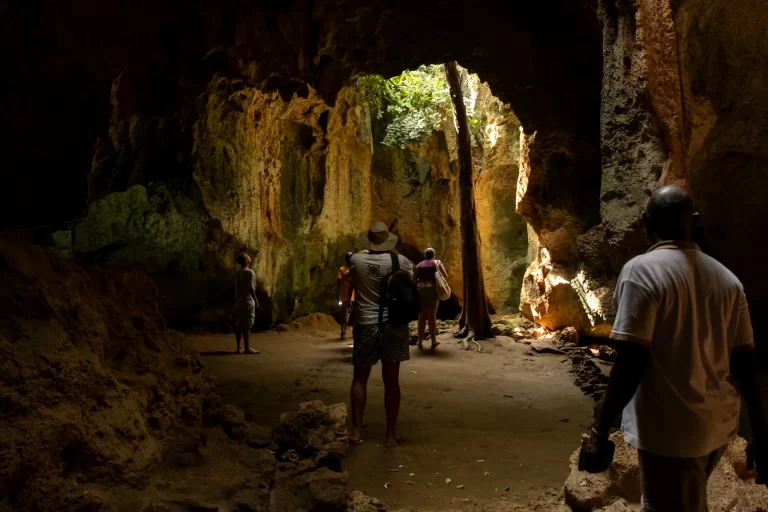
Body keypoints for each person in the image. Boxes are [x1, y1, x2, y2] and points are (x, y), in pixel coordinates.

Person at [579, 186, 767, 511]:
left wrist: (600, 428)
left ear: (644, 222)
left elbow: (631, 361)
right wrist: (761, 434)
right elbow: (746, 363)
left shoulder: (641, 272)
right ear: (693, 222)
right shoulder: (728, 281)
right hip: (717, 427)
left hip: (672, 432)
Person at [347, 220, 414, 447]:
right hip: (394, 325)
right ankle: (391, 435)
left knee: (360, 378)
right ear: (387, 241)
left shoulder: (356, 260)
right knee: (391, 380)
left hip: (365, 325)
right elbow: (409, 281)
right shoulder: (400, 261)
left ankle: (356, 431)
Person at [415, 247, 447, 349]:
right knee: (431, 314)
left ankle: (419, 341)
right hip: (432, 289)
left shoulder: (419, 265)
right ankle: (433, 340)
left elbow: (414, 278)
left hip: (421, 289)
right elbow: (445, 275)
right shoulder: (437, 262)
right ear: (433, 255)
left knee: (421, 315)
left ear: (425, 255)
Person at [234, 253, 260, 355]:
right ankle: (247, 348)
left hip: (239, 302)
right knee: (247, 325)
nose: (249, 257)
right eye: (248, 256)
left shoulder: (238, 272)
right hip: (248, 301)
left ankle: (238, 348)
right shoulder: (250, 272)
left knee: (239, 324)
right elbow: (251, 288)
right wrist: (256, 301)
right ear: (246, 260)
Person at [338, 252, 355, 340]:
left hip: (355, 296)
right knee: (345, 316)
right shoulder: (342, 269)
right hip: (345, 296)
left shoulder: (355, 269)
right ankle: (343, 332)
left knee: (356, 316)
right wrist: (338, 295)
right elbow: (338, 282)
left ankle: (355, 333)